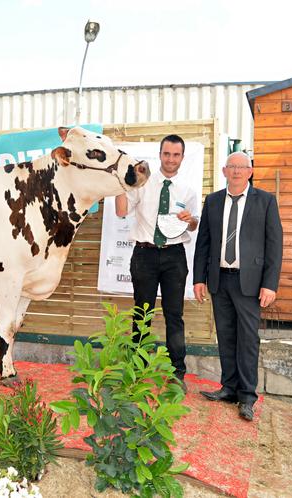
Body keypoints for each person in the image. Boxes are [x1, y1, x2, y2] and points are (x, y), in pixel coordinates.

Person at [193, 152, 283, 421]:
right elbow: (203, 243)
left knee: (247, 339)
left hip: (251, 282)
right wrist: (199, 278)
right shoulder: (213, 201)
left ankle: (246, 397)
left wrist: (270, 284)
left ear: (250, 171)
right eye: (231, 166)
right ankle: (229, 387)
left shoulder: (265, 201)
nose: (236, 171)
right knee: (226, 334)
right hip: (220, 279)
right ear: (224, 170)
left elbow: (274, 245)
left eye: (241, 167)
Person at [115, 134, 199, 393]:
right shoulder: (143, 183)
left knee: (175, 315)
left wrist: (190, 220)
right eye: (166, 154)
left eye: (176, 155)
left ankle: (177, 374)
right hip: (145, 256)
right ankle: (137, 372)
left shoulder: (188, 189)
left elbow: (195, 224)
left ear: (182, 157)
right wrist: (122, 184)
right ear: (160, 154)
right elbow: (121, 212)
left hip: (174, 256)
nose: (170, 159)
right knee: (142, 314)